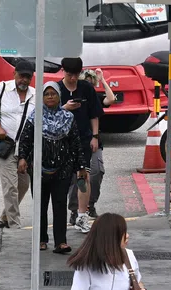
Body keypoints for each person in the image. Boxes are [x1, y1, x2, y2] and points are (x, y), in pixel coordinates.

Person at [16, 83, 88, 254]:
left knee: (60, 204)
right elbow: (25, 140)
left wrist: (81, 167)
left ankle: (61, 242)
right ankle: (41, 239)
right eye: (46, 94)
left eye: (53, 94)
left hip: (62, 170)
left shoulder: (68, 118)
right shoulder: (35, 117)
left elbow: (75, 144)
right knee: (40, 205)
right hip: (39, 169)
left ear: (59, 97)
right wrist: (22, 158)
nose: (49, 97)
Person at [0, 62, 36, 229]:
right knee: (10, 187)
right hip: (7, 146)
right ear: (14, 74)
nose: (24, 80)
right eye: (22, 76)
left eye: (28, 77)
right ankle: (14, 225)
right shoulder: (3, 88)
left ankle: (6, 216)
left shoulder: (35, 95)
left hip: (26, 149)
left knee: (23, 185)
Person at [57, 57, 103, 233]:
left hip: (83, 138)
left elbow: (94, 114)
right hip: (61, 140)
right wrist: (65, 108)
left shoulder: (86, 88)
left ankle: (83, 217)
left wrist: (95, 136)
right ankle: (64, 215)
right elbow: (47, 115)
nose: (73, 78)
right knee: (62, 180)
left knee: (84, 178)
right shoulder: (56, 89)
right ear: (63, 71)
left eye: (76, 75)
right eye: (70, 74)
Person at [68, 69, 115, 221]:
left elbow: (111, 99)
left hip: (94, 143)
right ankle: (76, 209)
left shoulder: (95, 98)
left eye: (91, 83)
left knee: (96, 172)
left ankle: (90, 204)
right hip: (77, 141)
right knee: (78, 176)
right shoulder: (74, 100)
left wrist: (103, 80)